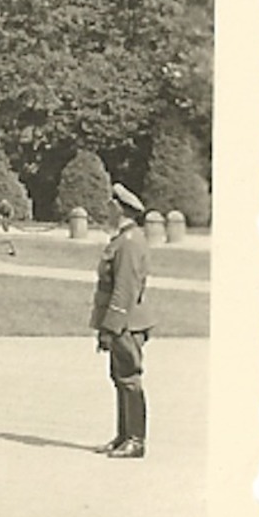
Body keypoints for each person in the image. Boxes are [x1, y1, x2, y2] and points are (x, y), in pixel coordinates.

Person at [91, 183, 154, 460]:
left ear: (119, 207)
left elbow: (124, 289)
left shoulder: (129, 243)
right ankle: (123, 436)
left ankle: (136, 441)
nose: (107, 208)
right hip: (123, 322)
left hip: (128, 322)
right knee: (120, 378)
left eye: (110, 204)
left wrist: (111, 326)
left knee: (129, 379)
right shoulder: (123, 239)